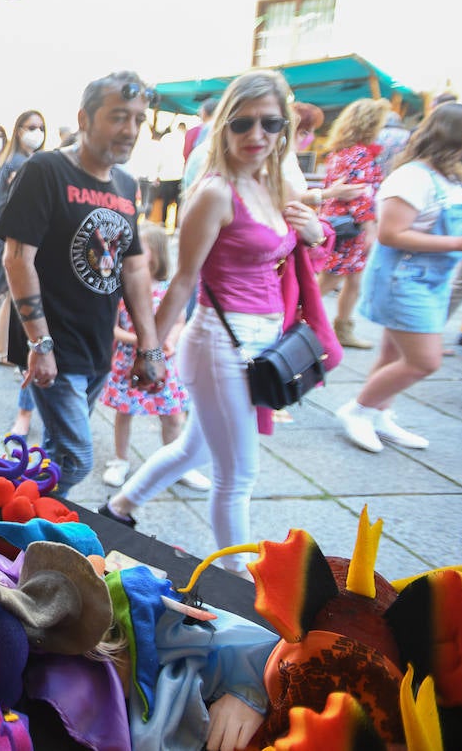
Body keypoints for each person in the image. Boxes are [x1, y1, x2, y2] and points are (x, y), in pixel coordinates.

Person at [104, 70, 332, 578]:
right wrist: (150, 350)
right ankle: (240, 581)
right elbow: (183, 281)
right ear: (224, 127)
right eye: (243, 123)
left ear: (286, 128)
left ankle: (119, 507)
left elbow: (302, 252)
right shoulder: (215, 193)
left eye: (270, 123)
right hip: (220, 343)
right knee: (239, 475)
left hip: (263, 340)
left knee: (194, 448)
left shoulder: (274, 183)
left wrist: (315, 232)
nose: (257, 135)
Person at [0, 71, 167, 491]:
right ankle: (5, 508)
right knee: (76, 460)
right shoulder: (46, 170)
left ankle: (34, 521)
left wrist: (149, 346)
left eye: (138, 119)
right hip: (54, 344)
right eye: (118, 117)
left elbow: (133, 267)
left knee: (58, 455)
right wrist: (40, 344)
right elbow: (16, 259)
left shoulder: (125, 184)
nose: (130, 130)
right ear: (84, 119)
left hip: (97, 347)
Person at [337, 103, 462, 453]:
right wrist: (460, 243)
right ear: (457, 133)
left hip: (430, 279)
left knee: (393, 354)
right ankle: (358, 410)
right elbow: (390, 234)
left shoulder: (452, 175)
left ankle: (377, 414)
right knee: (423, 360)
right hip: (404, 279)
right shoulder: (413, 177)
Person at [98, 223, 201, 490]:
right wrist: (143, 341)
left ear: (156, 253)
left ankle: (176, 463)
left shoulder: (168, 289)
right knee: (124, 412)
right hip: (128, 361)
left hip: (163, 362)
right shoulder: (120, 289)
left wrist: (171, 340)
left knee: (173, 415)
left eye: (138, 248)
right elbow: (112, 328)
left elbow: (179, 320)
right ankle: (120, 459)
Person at [316, 98, 389, 350]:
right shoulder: (360, 153)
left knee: (351, 279)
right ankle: (294, 318)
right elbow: (361, 195)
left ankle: (343, 328)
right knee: (331, 279)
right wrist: (370, 228)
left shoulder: (340, 152)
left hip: (339, 222)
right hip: (351, 227)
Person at [0, 111, 45, 366]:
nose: (37, 133)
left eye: (40, 128)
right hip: (12, 237)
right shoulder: (20, 163)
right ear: (19, 130)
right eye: (31, 127)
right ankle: (1, 350)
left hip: (8, 234)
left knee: (12, 295)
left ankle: (3, 349)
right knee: (12, 294)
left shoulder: (19, 161)